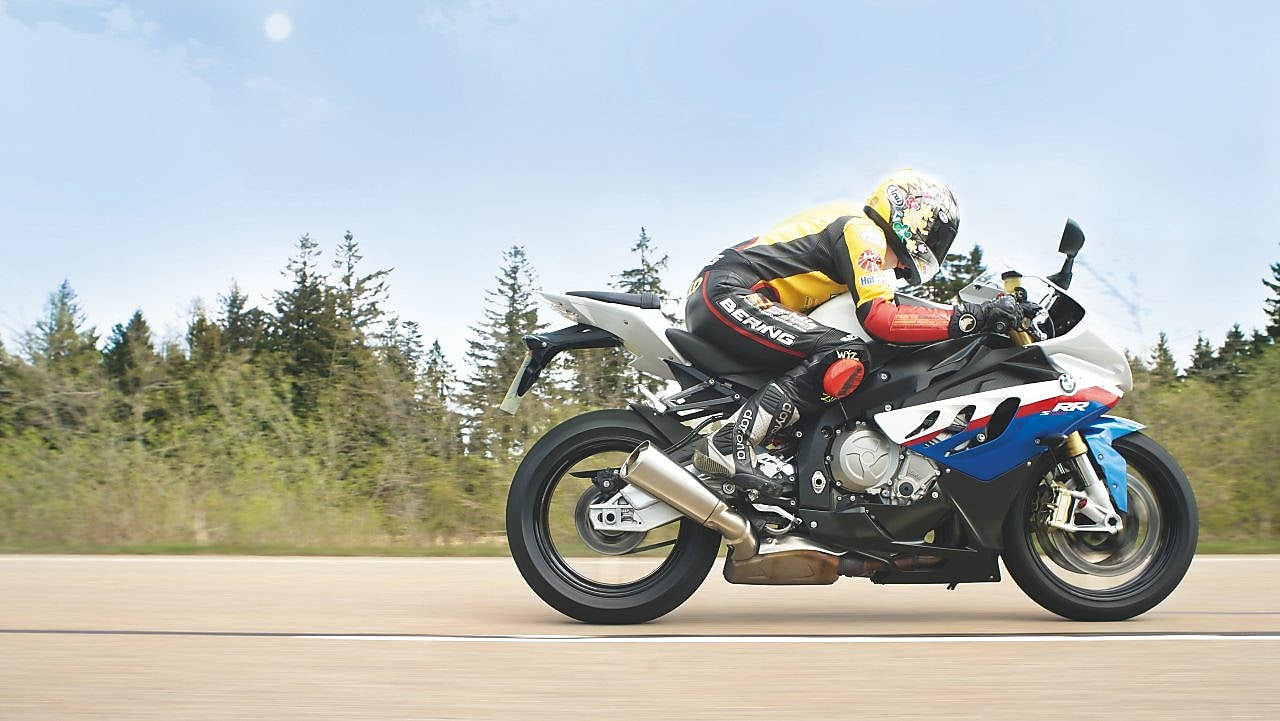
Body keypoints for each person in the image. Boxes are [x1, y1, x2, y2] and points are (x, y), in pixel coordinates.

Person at [686, 169, 1025, 494]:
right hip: (730, 291)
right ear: (912, 216)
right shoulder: (863, 232)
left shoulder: (858, 234)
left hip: (731, 294)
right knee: (845, 354)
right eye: (934, 235)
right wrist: (970, 317)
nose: (908, 265)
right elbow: (882, 319)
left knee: (831, 362)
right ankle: (729, 443)